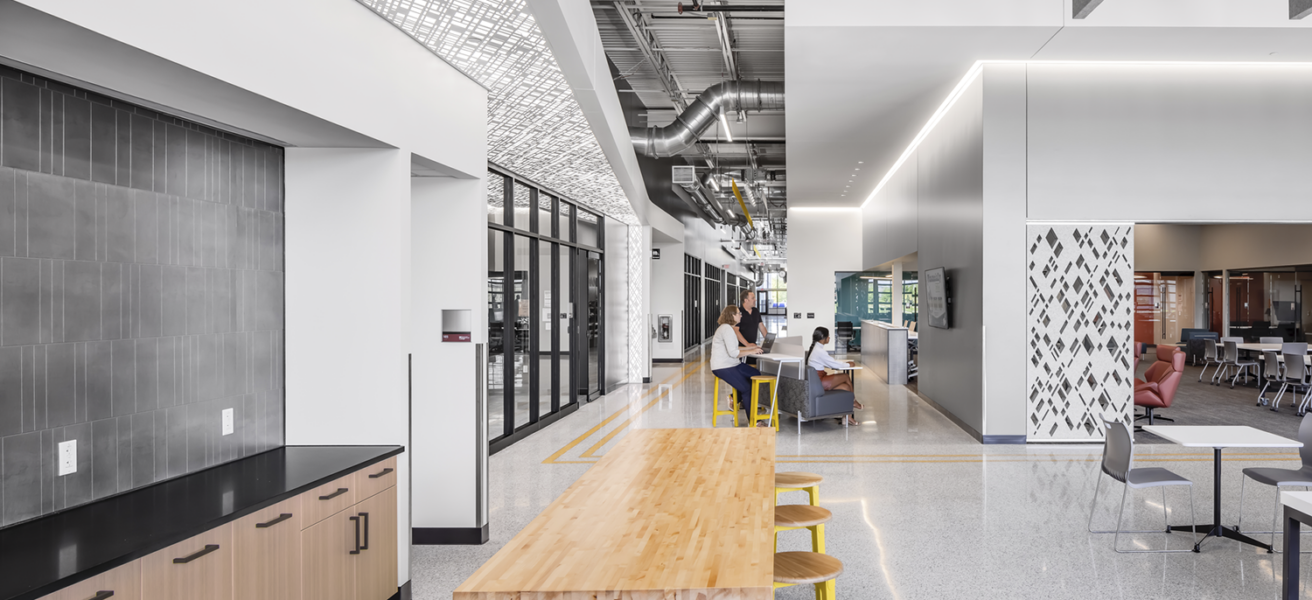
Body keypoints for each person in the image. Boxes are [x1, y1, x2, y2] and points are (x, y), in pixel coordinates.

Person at [711, 305, 767, 425]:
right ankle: (754, 422)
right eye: (738, 313)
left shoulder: (728, 328)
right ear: (732, 316)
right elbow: (734, 353)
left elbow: (734, 348)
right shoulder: (726, 329)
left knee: (755, 374)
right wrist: (752, 351)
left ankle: (735, 398)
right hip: (723, 366)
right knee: (746, 388)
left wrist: (751, 347)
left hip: (732, 364)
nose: (741, 315)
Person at [805, 326, 862, 425]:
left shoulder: (816, 348)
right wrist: (849, 364)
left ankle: (847, 417)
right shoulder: (819, 351)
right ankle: (853, 401)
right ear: (824, 338)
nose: (829, 338)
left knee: (846, 387)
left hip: (818, 381)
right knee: (846, 376)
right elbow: (834, 365)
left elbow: (831, 364)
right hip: (819, 382)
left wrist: (845, 363)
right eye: (828, 336)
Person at [735, 290, 768, 364]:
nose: (755, 300)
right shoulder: (738, 312)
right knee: (744, 366)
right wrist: (747, 344)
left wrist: (768, 340)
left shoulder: (756, 311)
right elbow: (736, 331)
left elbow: (761, 326)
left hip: (753, 345)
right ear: (746, 300)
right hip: (741, 347)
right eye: (753, 298)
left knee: (753, 365)